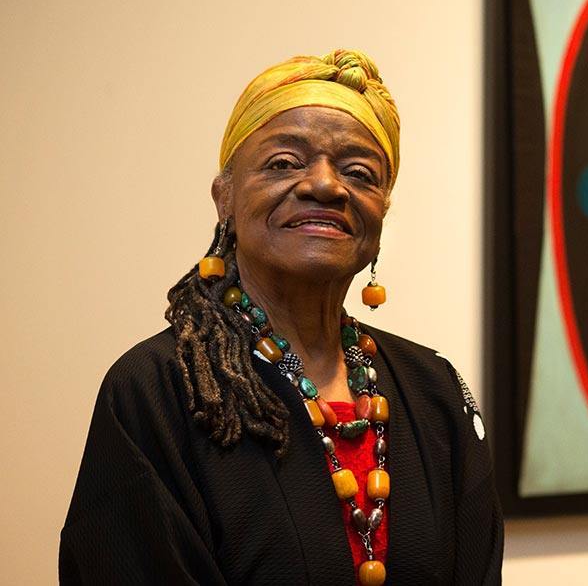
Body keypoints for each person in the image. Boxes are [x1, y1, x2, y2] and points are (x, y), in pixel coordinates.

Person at [59, 50, 504, 584]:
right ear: (224, 197)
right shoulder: (157, 390)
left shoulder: (435, 392)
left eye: (359, 172)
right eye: (284, 163)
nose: (325, 186)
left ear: (383, 207)